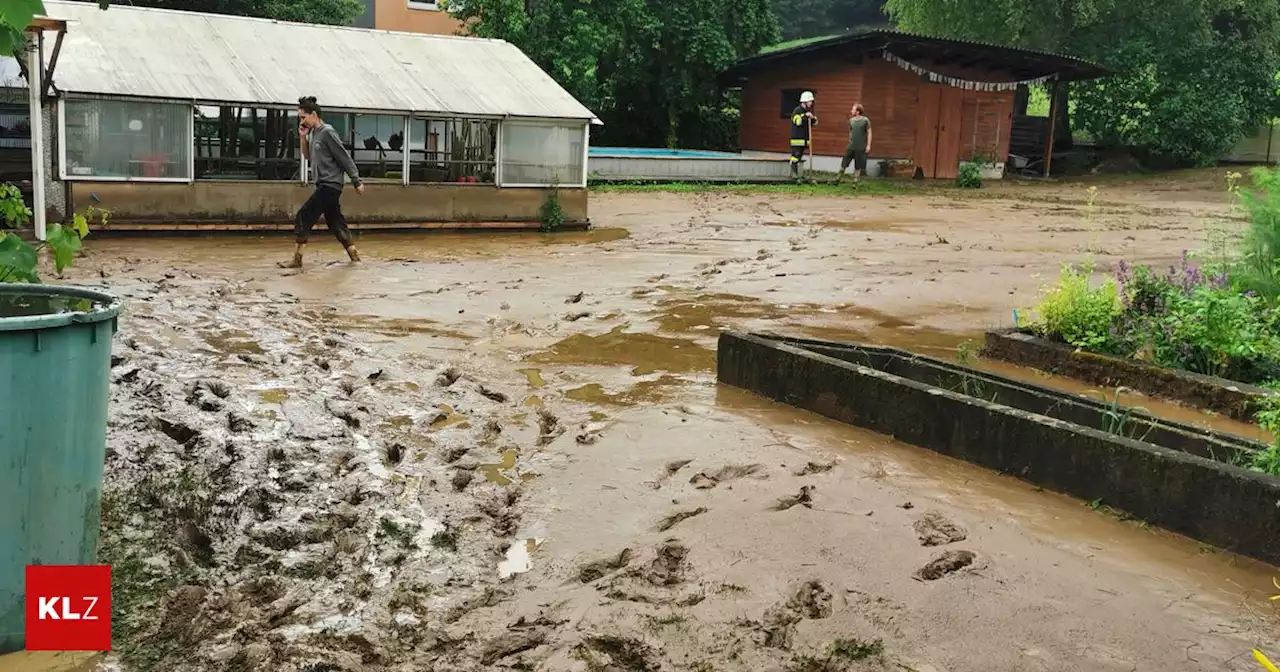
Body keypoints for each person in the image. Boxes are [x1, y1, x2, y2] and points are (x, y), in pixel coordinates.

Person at [279, 96, 365, 269]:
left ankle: (297, 260)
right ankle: (355, 258)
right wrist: (302, 137)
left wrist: (356, 181)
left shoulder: (328, 132)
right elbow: (308, 156)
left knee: (303, 216)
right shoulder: (313, 134)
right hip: (324, 184)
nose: (301, 121)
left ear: (314, 115)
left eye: (303, 117)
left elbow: (344, 157)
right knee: (335, 221)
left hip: (330, 184)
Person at [835, 104, 872, 184]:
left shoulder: (865, 120)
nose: (851, 111)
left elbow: (869, 133)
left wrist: (868, 145)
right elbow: (851, 132)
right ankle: (837, 178)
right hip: (851, 146)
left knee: (858, 166)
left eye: (853, 109)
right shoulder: (851, 120)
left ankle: (855, 181)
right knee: (844, 163)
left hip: (860, 147)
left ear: (857, 112)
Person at [789, 91, 818, 179]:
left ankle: (797, 174)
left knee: (799, 156)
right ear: (805, 101)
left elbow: (814, 123)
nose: (811, 103)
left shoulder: (807, 111)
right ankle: (793, 174)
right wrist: (805, 116)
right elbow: (797, 122)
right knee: (795, 156)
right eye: (810, 101)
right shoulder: (797, 110)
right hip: (797, 139)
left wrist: (813, 119)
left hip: (804, 139)